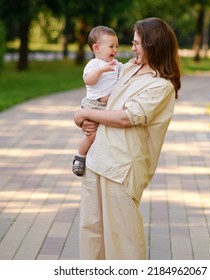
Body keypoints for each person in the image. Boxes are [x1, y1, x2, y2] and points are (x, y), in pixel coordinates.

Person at [73, 17, 181, 260]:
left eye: (137, 44)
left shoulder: (161, 86)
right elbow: (106, 100)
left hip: (121, 169)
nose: (132, 49)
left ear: (152, 45)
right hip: (97, 159)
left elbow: (125, 117)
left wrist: (85, 113)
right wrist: (85, 117)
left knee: (123, 242)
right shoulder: (130, 67)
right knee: (93, 235)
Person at [72, 25, 122, 176]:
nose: (115, 50)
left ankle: (101, 161)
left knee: (104, 134)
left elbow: (124, 71)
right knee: (91, 134)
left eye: (117, 46)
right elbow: (88, 80)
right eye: (111, 46)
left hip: (106, 106)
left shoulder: (116, 64)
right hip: (93, 104)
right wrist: (100, 71)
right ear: (96, 48)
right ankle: (80, 156)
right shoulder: (94, 65)